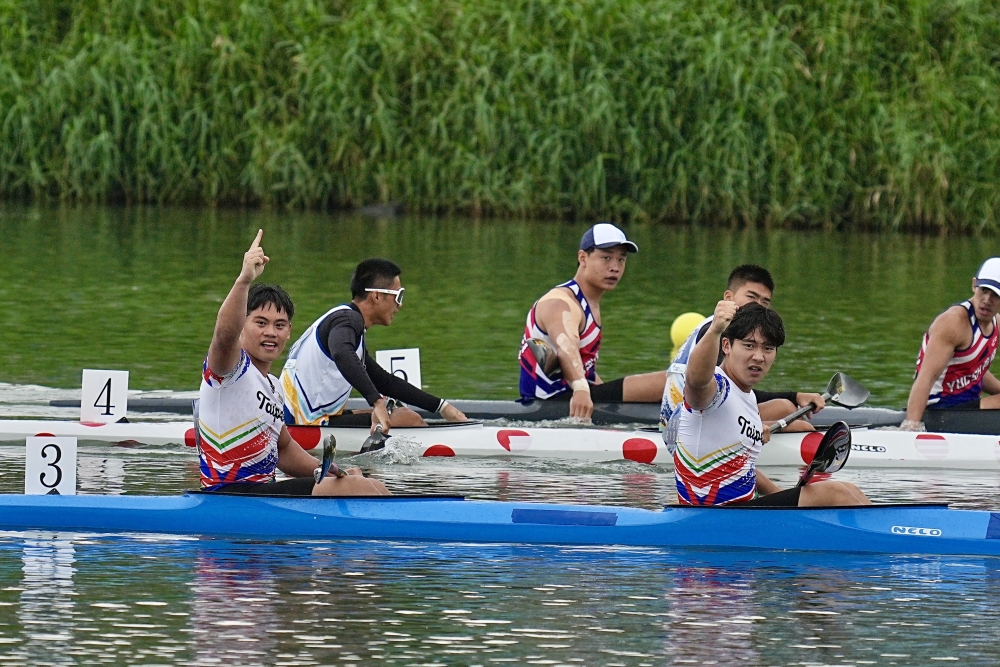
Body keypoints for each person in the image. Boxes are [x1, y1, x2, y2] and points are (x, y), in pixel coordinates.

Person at [197, 230, 390, 496]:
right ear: (243, 325)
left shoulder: (275, 388)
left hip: (261, 493)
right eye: (261, 323)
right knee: (357, 489)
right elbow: (223, 336)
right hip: (228, 496)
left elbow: (284, 448)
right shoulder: (231, 370)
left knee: (369, 483)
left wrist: (330, 469)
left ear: (289, 332)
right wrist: (244, 280)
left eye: (279, 325)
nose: (271, 333)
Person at [671, 301, 870, 506]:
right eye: (749, 345)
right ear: (726, 345)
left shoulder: (747, 398)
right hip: (712, 518)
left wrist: (782, 496)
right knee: (837, 493)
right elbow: (696, 382)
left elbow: (743, 467)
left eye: (768, 348)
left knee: (849, 489)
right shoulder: (720, 387)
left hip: (739, 513)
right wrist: (714, 331)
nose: (759, 357)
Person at [281, 258, 467, 433]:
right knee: (409, 419)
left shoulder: (345, 323)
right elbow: (342, 353)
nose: (399, 305)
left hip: (303, 419)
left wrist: (442, 407)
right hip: (303, 426)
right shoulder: (348, 320)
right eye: (398, 295)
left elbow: (384, 381)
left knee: (396, 411)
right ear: (376, 296)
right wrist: (376, 402)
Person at [518, 223, 666, 421]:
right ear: (582, 258)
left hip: (571, 394)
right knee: (672, 381)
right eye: (606, 258)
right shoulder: (561, 303)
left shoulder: (589, 303)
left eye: (621, 260)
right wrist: (581, 389)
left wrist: (614, 408)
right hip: (550, 403)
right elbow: (566, 346)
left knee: (666, 385)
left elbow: (583, 367)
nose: (615, 267)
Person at [660, 264, 825, 433]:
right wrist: (758, 428)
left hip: (692, 410)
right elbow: (711, 389)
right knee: (793, 416)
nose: (759, 306)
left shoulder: (719, 325)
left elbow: (736, 389)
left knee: (787, 407)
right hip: (687, 423)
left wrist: (794, 396)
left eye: (765, 302)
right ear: (728, 298)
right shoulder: (718, 332)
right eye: (752, 297)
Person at [902, 257, 1000, 431]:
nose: (987, 300)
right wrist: (911, 428)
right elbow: (926, 377)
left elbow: (973, 369)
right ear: (974, 284)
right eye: (984, 290)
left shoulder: (996, 323)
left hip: (967, 409)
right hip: (940, 411)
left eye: (996, 295)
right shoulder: (954, 322)